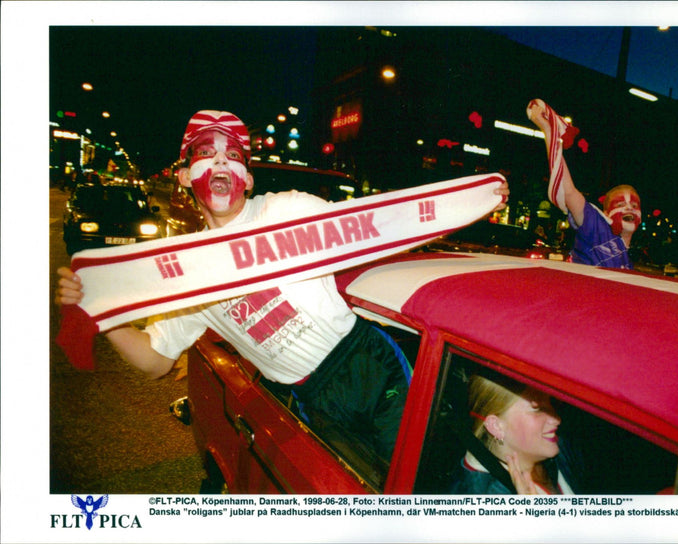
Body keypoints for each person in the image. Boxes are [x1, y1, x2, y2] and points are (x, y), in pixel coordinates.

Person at [56, 110, 509, 461]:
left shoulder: (288, 210)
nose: (219, 161)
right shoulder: (187, 269)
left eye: (232, 155)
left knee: (423, 478)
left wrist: (467, 201)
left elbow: (377, 225)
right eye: (204, 152)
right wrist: (103, 315)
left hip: (368, 361)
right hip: (312, 396)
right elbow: (156, 362)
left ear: (249, 178)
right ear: (182, 175)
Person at [526, 98, 641, 269]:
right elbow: (569, 192)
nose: (629, 208)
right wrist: (549, 131)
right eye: (621, 204)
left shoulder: (628, 261)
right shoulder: (596, 227)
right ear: (606, 213)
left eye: (633, 204)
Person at [448, 372, 569, 495]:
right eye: (537, 410)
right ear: (496, 427)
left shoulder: (562, 448)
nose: (556, 419)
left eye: (551, 403)